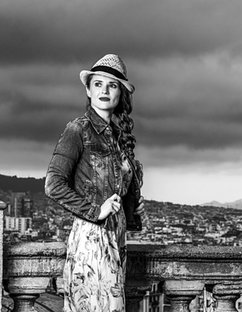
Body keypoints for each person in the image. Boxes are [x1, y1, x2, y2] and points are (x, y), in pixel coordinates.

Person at [45, 54, 146, 312]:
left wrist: (133, 204)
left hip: (116, 237)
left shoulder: (119, 138)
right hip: (92, 239)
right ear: (88, 91)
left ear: (120, 94)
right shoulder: (77, 130)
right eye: (98, 84)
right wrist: (96, 211)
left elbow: (116, 188)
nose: (104, 90)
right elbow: (53, 184)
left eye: (112, 85)